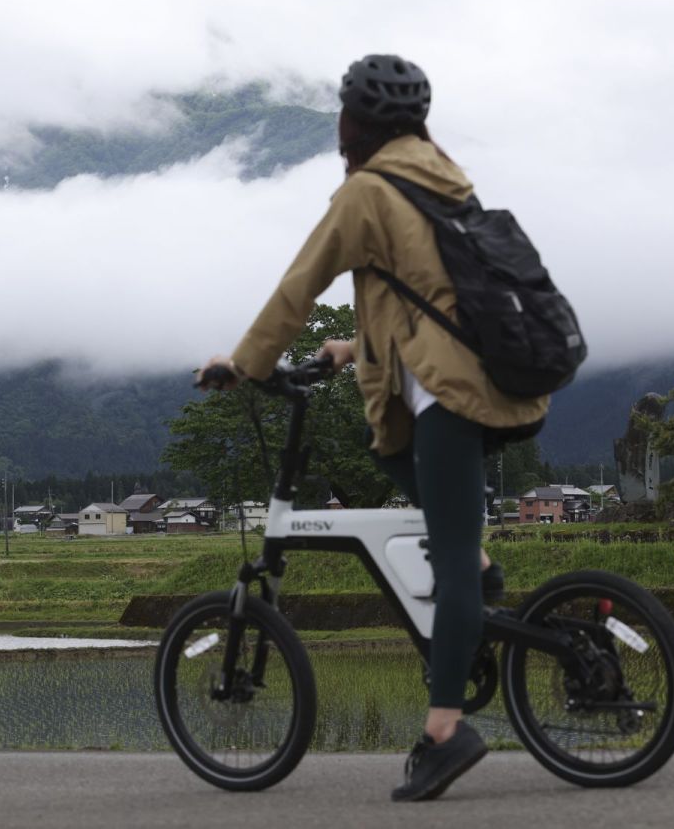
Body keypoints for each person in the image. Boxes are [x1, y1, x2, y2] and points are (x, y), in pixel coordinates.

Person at [198, 54, 548, 801]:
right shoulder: (441, 174)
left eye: (344, 114)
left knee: (452, 562)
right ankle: (479, 566)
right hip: (474, 375)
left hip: (449, 392)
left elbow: (300, 284)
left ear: (356, 124)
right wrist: (353, 347)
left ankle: (446, 732)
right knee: (382, 444)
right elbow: (432, 295)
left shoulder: (366, 191)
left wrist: (246, 363)